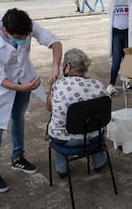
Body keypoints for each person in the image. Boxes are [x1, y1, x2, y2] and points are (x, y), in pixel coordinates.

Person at [0, 8, 62, 192]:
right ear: (5, 30)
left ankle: (18, 158)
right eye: (19, 37)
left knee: (18, 117)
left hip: (25, 77)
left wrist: (55, 67)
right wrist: (21, 88)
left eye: (25, 37)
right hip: (2, 86)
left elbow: (54, 42)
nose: (23, 39)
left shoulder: (26, 26)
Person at [47, 48, 108, 178]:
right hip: (95, 138)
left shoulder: (58, 85)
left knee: (56, 122)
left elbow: (49, 108)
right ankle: (99, 162)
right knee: (92, 121)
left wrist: (50, 89)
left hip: (66, 141)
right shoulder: (98, 85)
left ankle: (62, 169)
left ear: (68, 66)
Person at [106, 0, 132, 95]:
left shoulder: (131, 1)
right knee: (116, 60)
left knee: (128, 58)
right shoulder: (113, 2)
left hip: (128, 32)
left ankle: (127, 81)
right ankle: (111, 83)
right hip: (116, 33)